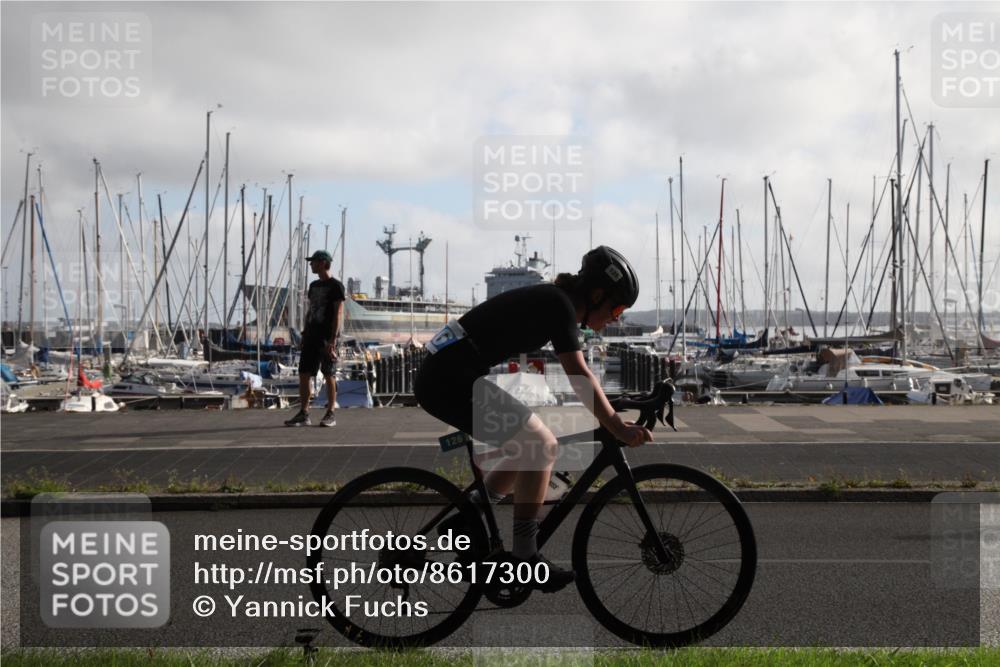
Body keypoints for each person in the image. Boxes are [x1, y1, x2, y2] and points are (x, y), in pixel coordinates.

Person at [413, 246, 653, 592]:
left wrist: (613, 409)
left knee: (531, 441)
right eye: (616, 308)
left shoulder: (556, 302)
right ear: (596, 294)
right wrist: (615, 425)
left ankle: (468, 519)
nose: (616, 317)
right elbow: (579, 374)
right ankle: (525, 559)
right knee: (540, 445)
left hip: (450, 374)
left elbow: (582, 378)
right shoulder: (559, 306)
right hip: (447, 380)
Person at [284, 250, 345, 427]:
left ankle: (330, 412)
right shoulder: (313, 286)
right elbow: (311, 310)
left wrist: (333, 340)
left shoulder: (336, 286)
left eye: (314, 262)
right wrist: (304, 332)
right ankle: (304, 413)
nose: (311, 265)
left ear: (323, 263)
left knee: (329, 374)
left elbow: (337, 314)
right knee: (304, 373)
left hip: (327, 337)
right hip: (311, 335)